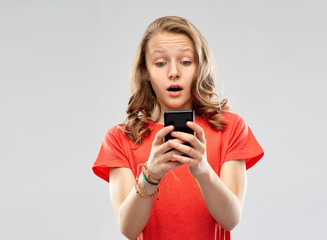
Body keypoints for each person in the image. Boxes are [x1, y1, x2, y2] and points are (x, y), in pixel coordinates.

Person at [92, 16, 264, 240]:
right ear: (146, 70)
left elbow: (231, 219)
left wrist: (203, 170)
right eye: (160, 63)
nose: (174, 72)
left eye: (185, 61)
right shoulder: (120, 138)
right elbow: (128, 229)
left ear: (199, 66)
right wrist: (151, 174)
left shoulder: (230, 127)